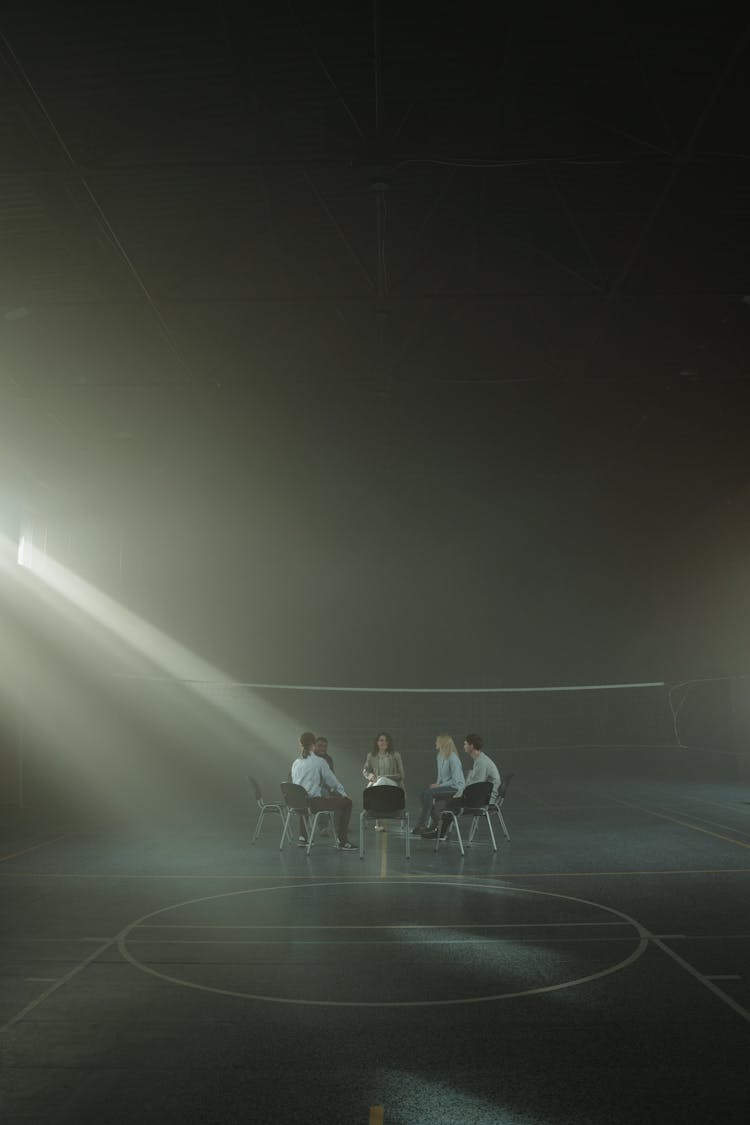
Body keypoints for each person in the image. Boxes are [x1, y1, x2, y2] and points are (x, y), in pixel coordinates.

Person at [422, 733, 501, 839]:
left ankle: (440, 832)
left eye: (465, 744)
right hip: (484, 796)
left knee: (451, 803)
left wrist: (460, 794)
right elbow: (474, 783)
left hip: (484, 800)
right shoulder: (480, 760)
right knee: (452, 802)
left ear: (471, 746)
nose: (463, 746)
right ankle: (440, 830)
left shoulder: (481, 762)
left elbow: (476, 785)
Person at [291, 730, 355, 850]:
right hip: (313, 803)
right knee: (348, 803)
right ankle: (342, 841)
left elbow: (297, 786)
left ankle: (303, 838)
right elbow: (333, 781)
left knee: (303, 800)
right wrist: (344, 795)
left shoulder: (296, 763)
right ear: (313, 744)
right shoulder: (319, 761)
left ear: (301, 744)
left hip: (298, 804)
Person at [412, 733, 464, 834]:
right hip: (447, 786)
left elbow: (456, 780)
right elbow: (440, 777)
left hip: (455, 788)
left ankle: (422, 825)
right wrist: (437, 784)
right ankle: (437, 819)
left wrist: (439, 786)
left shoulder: (453, 758)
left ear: (442, 743)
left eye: (437, 741)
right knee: (424, 794)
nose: (435, 743)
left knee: (428, 793)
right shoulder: (440, 756)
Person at [362, 731, 406, 831]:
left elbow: (402, 774)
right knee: (379, 784)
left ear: (389, 742)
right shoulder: (371, 756)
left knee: (381, 781)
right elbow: (365, 770)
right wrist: (370, 776)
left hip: (393, 784)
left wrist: (384, 777)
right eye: (381, 740)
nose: (384, 742)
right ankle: (378, 822)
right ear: (377, 742)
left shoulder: (395, 755)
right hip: (376, 783)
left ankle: (377, 822)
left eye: (386, 740)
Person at [314, 736, 335, 836]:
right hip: (312, 789)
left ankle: (340, 826)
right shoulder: (309, 758)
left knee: (343, 795)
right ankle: (323, 827)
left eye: (325, 746)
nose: (323, 748)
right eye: (320, 746)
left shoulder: (328, 759)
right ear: (314, 746)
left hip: (325, 786)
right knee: (324, 794)